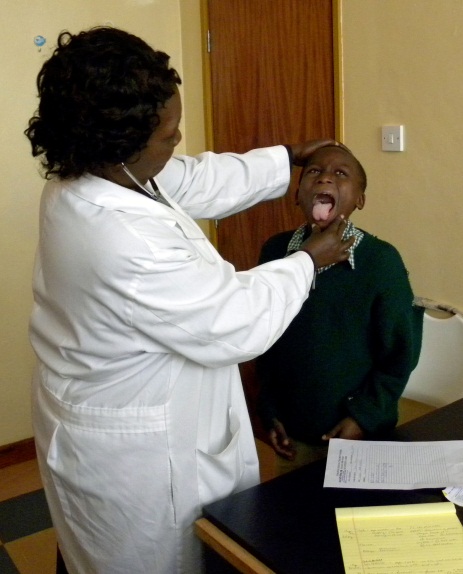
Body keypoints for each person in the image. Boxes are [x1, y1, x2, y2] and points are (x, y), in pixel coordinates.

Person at [25, 27, 354, 574]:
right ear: (121, 144)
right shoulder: (119, 236)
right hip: (137, 457)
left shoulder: (96, 172)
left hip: (92, 407)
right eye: (168, 134)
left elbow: (194, 178)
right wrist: (308, 261)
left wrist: (289, 158)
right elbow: (235, 322)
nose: (178, 142)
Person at [256, 145, 423, 474]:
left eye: (341, 174)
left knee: (354, 519)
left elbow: (399, 355)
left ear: (359, 199)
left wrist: (364, 416)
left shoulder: (380, 262)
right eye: (314, 172)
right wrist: (268, 409)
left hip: (360, 435)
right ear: (297, 195)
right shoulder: (275, 251)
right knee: (293, 517)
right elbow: (264, 338)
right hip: (293, 432)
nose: (325, 178)